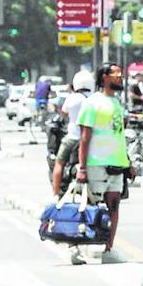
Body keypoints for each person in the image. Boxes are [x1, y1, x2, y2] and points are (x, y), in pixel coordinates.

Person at [76, 62, 132, 253]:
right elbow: (85, 138)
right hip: (96, 164)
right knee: (92, 206)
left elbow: (119, 135)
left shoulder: (117, 103)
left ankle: (109, 247)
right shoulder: (92, 103)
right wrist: (82, 168)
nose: (120, 78)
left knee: (114, 207)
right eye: (116, 74)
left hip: (116, 164)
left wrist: (128, 162)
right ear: (104, 78)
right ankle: (84, 245)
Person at [51, 70, 94, 199]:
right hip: (88, 140)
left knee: (59, 163)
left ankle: (55, 194)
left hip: (71, 138)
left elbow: (63, 113)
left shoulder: (72, 98)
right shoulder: (92, 99)